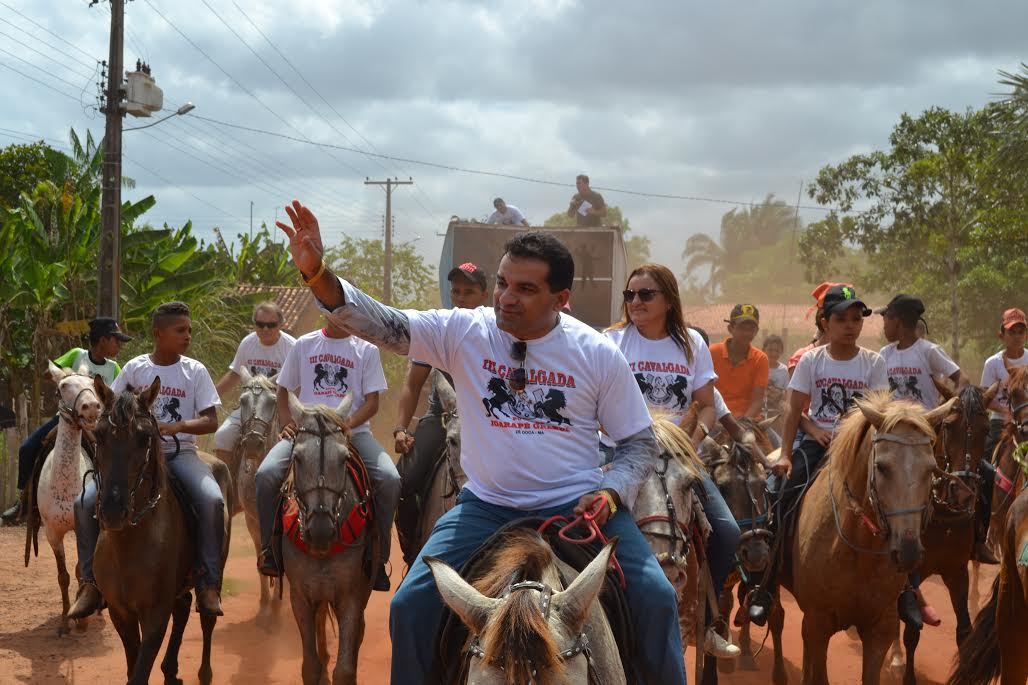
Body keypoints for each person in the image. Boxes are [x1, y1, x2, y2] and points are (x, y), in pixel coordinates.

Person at [275, 200, 687, 684]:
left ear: (561, 298)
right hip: (486, 508)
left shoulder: (596, 353)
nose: (506, 298)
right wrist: (318, 273)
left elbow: (638, 445)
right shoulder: (463, 331)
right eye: (502, 283)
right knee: (409, 606)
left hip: (577, 508)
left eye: (526, 289)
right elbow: (380, 322)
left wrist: (613, 491)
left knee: (657, 600)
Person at [605, 263, 743, 660]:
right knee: (571, 517)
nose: (636, 302)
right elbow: (594, 401)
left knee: (728, 531)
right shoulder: (612, 340)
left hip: (677, 453)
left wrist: (689, 442)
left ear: (668, 300)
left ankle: (707, 622)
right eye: (630, 295)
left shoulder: (691, 345)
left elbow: (704, 407)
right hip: (620, 449)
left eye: (646, 294)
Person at [69, 302, 226, 617]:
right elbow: (110, 405)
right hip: (132, 457)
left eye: (189, 330)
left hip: (179, 452)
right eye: (180, 330)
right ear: (159, 333)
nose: (187, 336)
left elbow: (211, 421)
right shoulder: (134, 369)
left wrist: (178, 426)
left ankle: (208, 582)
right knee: (83, 503)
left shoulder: (194, 371)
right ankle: (90, 583)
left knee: (212, 500)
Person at [748, 285, 888, 626]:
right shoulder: (812, 360)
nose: (850, 325)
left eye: (856, 319)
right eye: (842, 319)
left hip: (860, 448)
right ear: (825, 323)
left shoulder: (874, 362)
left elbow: (882, 413)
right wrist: (787, 455)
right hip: (818, 445)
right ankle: (766, 586)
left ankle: (907, 590)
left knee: (900, 498)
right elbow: (793, 410)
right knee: (779, 494)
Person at [254, 316, 399, 591]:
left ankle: (378, 559)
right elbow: (283, 389)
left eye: (345, 308)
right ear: (323, 310)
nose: (338, 314)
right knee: (266, 474)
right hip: (306, 431)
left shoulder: (366, 349)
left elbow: (372, 403)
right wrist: (286, 424)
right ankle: (269, 550)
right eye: (332, 307)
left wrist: (345, 425)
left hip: (352, 432)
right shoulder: (304, 345)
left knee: (390, 479)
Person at [393, 263, 490, 568]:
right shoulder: (437, 331)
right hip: (442, 419)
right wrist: (400, 428)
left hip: (489, 420)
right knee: (404, 481)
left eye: (469, 292)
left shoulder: (496, 329)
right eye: (456, 291)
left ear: (484, 295)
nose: (461, 298)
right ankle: (412, 553)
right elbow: (412, 385)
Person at [1, 317, 130, 523]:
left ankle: (115, 499)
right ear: (103, 340)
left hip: (96, 423)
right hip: (67, 419)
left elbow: (116, 397)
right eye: (117, 340)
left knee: (118, 455)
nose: (119, 345)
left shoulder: (114, 368)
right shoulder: (77, 354)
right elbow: (48, 373)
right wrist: (66, 375)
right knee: (27, 448)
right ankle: (23, 502)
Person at [212, 302, 297, 477]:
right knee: (222, 436)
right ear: (254, 324)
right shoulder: (248, 343)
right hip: (250, 407)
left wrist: (289, 418)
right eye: (260, 324)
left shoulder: (292, 347)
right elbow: (235, 374)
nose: (265, 329)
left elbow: (299, 385)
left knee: (302, 445)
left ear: (280, 325)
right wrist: (210, 396)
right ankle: (228, 488)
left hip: (281, 407)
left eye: (271, 325)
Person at [982, 307, 1028, 461]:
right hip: (1000, 421)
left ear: (1026, 335)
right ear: (1001, 336)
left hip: (1027, 420)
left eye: (1021, 332)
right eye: (1012, 332)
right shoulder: (992, 363)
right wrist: (1005, 410)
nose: (1017, 336)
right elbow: (985, 398)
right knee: (986, 458)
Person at [710, 305, 769, 420]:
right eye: (742, 328)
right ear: (730, 328)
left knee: (778, 439)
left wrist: (741, 424)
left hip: (748, 421)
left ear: (756, 331)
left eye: (751, 329)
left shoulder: (761, 359)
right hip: (716, 420)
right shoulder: (712, 352)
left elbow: (757, 401)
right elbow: (704, 393)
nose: (747, 333)